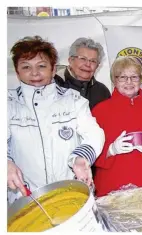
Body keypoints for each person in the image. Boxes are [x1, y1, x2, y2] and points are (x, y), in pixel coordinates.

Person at [7, 36, 104, 204]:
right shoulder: (8, 103)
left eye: (42, 66)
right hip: (24, 197)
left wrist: (81, 159)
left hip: (70, 193)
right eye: (26, 67)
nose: (35, 73)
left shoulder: (73, 100)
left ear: (53, 69)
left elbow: (94, 133)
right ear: (17, 72)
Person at [91, 56, 142, 197]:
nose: (129, 82)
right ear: (114, 80)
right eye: (122, 77)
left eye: (134, 77)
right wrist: (110, 150)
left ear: (140, 80)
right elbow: (89, 150)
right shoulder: (100, 111)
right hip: (111, 187)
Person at [54, 37, 111, 110]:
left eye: (93, 61)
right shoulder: (54, 85)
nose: (87, 64)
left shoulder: (102, 92)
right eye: (83, 59)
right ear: (71, 60)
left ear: (97, 66)